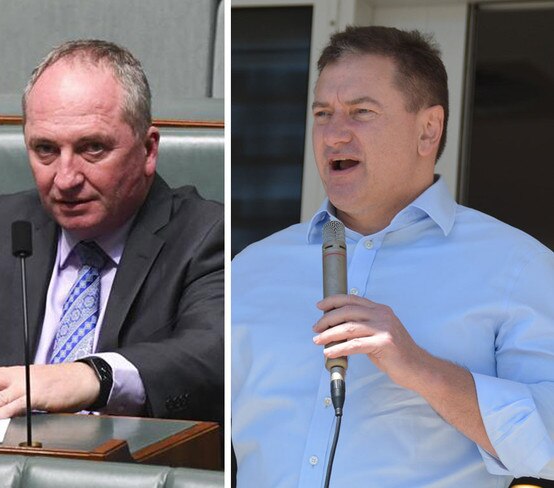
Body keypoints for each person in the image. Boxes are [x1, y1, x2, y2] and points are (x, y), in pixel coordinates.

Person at [232, 26, 554, 487]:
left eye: (361, 112)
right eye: (323, 114)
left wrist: (421, 368)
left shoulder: (517, 267)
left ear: (428, 130)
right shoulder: (252, 270)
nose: (333, 135)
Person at [0, 40, 223, 424]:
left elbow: (211, 354)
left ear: (148, 150)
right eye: (45, 150)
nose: (66, 178)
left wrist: (89, 376)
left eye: (92, 148)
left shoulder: (206, 234)